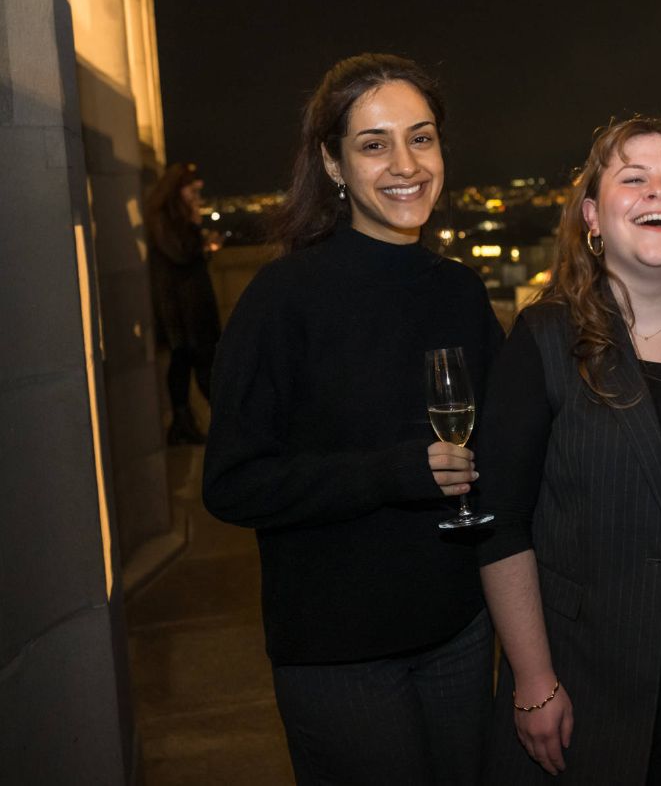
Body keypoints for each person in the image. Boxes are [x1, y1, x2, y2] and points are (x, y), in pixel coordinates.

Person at [203, 54, 502, 785]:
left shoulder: (459, 291)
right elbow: (234, 483)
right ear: (333, 164)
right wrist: (393, 473)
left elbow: (505, 442)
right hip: (339, 652)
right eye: (374, 144)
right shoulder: (282, 300)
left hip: (461, 631)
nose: (406, 164)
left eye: (421, 138)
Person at [476, 117, 661, 784]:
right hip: (592, 677)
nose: (657, 192)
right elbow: (501, 521)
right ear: (592, 215)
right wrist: (534, 678)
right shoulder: (545, 339)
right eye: (634, 178)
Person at [146, 161, 221, 444]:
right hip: (181, 307)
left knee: (190, 363)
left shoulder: (170, 216)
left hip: (188, 303)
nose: (195, 197)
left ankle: (187, 424)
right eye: (192, 190)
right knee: (192, 362)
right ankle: (188, 424)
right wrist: (196, 229)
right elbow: (180, 253)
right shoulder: (163, 217)